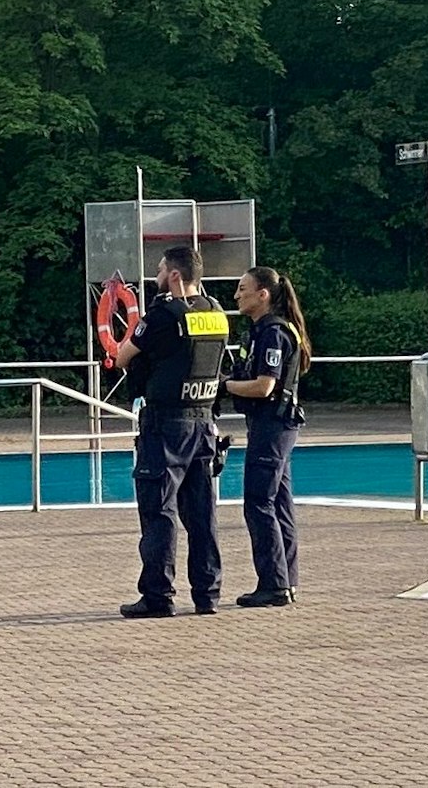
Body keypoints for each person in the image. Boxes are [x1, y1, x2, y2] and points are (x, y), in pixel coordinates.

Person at [114, 246, 228, 618]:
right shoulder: (216, 313)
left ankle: (158, 596)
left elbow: (123, 355)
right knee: (202, 514)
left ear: (175, 274)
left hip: (167, 425)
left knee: (159, 510)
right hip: (204, 420)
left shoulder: (163, 315)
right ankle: (207, 594)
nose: (157, 274)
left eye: (161, 268)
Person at [226, 266, 310, 608]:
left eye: (243, 289)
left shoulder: (273, 332)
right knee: (279, 503)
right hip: (276, 424)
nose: (236, 295)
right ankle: (285, 581)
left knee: (259, 502)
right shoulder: (264, 330)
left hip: (272, 425)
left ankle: (273, 584)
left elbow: (265, 385)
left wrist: (223, 386)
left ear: (263, 295)